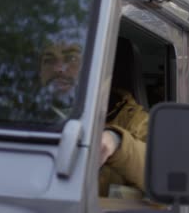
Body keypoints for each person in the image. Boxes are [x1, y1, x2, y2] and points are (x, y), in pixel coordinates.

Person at [39, 38, 148, 197]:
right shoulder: (14, 116)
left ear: (96, 67)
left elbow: (166, 170)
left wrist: (116, 141)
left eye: (71, 58)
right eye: (49, 60)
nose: (59, 68)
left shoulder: (133, 120)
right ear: (40, 72)